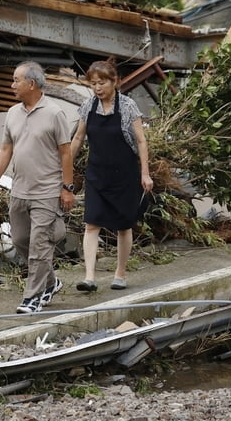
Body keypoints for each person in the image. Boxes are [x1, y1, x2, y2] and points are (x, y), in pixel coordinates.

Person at [0, 61, 75, 314]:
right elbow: (5, 149)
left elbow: (66, 154)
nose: (12, 85)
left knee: (39, 245)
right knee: (21, 239)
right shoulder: (13, 113)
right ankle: (51, 282)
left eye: (16, 80)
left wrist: (67, 188)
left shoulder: (54, 113)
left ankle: (32, 298)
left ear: (31, 84)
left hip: (47, 191)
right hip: (20, 189)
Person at [70, 60, 153, 292]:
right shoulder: (88, 106)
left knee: (123, 226)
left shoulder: (127, 106)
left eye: (102, 82)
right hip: (97, 173)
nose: (97, 88)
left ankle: (120, 273)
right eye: (93, 83)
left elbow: (140, 141)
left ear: (115, 82)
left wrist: (145, 174)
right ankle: (89, 277)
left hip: (124, 174)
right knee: (91, 223)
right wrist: (64, 167)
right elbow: (78, 138)